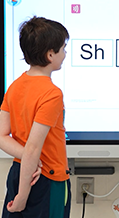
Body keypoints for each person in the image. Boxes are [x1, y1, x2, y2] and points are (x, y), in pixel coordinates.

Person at [0, 17, 71, 218]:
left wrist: (28, 159)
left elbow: (2, 136)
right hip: (47, 179)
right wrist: (23, 195)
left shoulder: (14, 86)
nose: (65, 54)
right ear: (50, 54)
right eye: (63, 49)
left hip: (18, 172)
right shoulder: (52, 94)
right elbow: (33, 148)